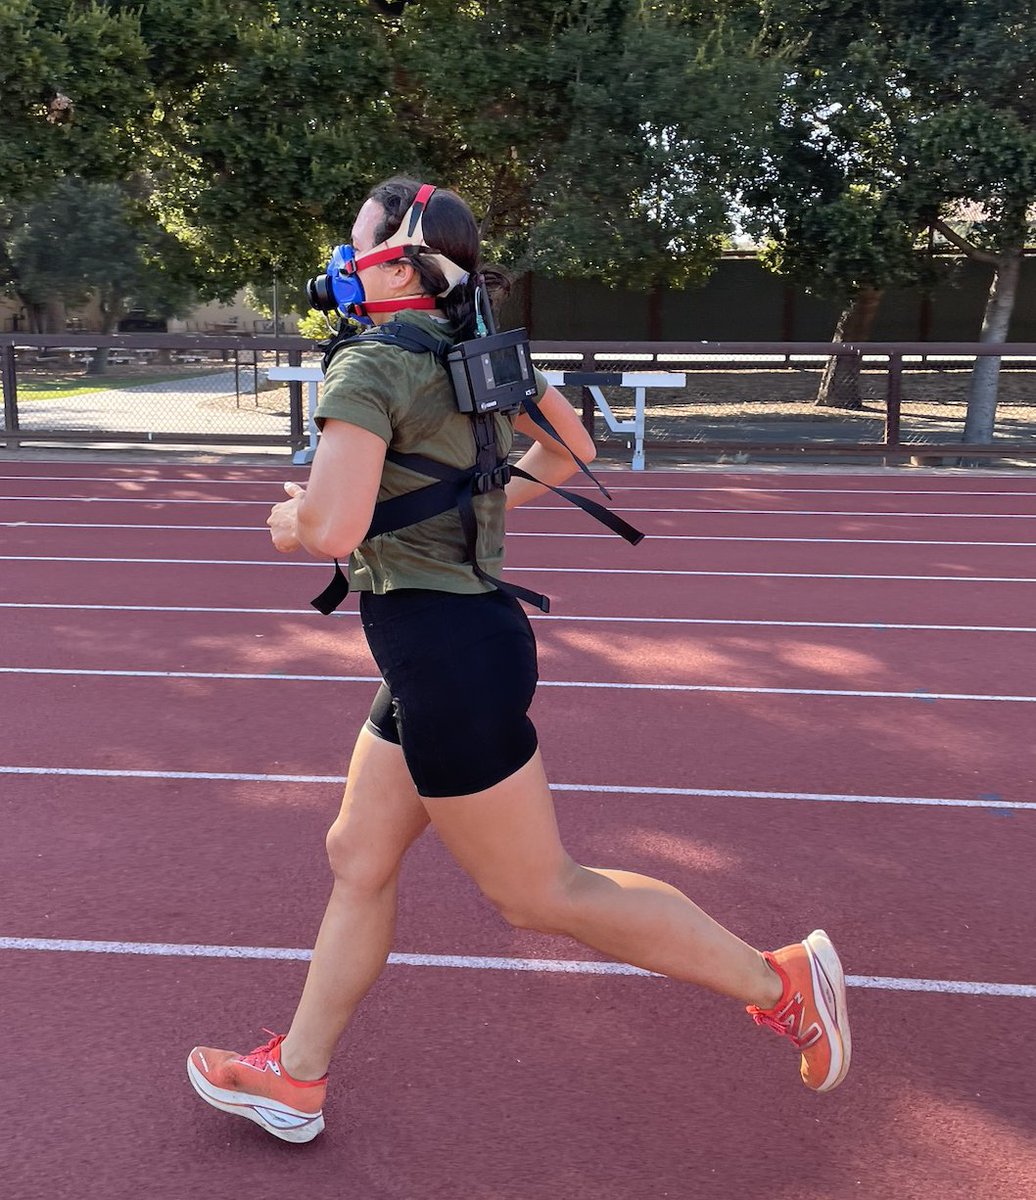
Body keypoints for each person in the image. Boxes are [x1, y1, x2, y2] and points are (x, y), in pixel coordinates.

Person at [186, 177, 851, 1144]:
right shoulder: (479, 348)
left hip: (449, 656)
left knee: (541, 892)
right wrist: (463, 508)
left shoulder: (370, 363)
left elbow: (329, 525)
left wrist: (291, 522)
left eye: (355, 238)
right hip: (448, 648)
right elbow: (573, 444)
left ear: (399, 257)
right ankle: (297, 1076)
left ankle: (780, 981)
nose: (342, 254)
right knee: (358, 855)